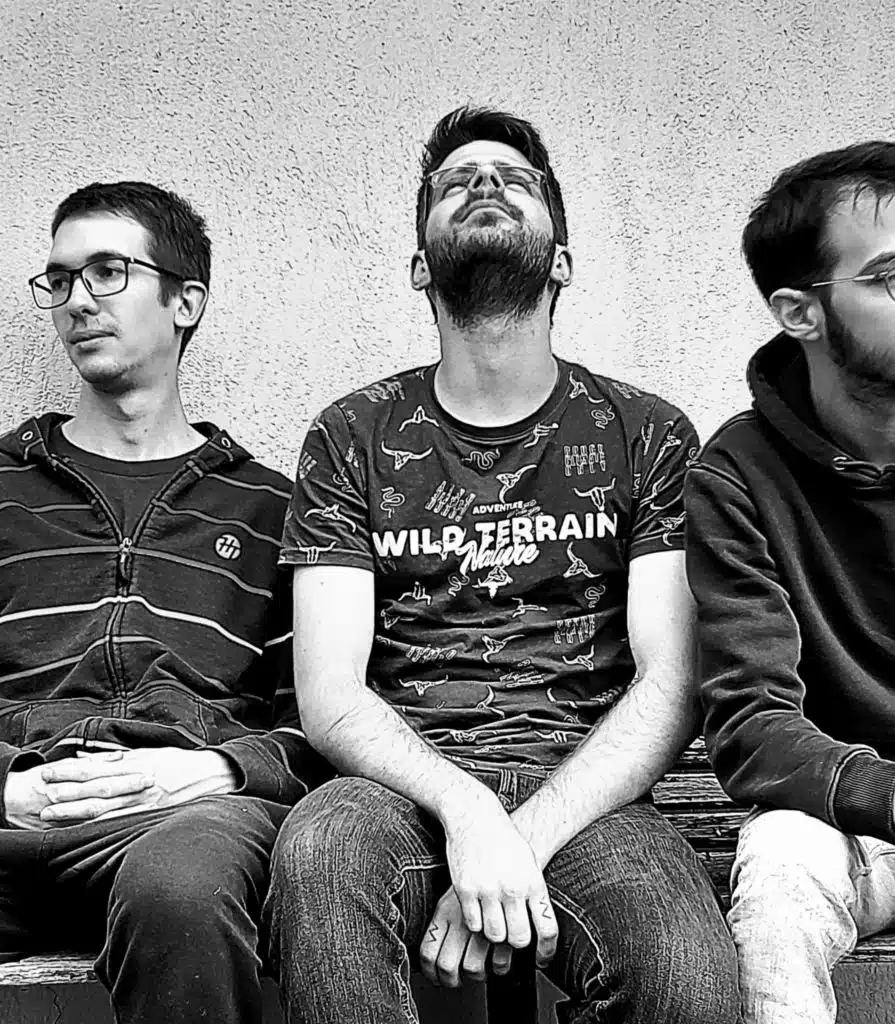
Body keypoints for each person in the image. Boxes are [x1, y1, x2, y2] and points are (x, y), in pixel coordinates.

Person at [265, 106, 738, 1023]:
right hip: (396, 788)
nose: (485, 184)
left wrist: (519, 838)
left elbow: (671, 682)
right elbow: (329, 694)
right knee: (318, 856)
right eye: (455, 183)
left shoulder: (646, 433)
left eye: (516, 181)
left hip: (591, 791)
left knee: (683, 976)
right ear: (419, 266)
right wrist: (469, 814)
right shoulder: (351, 434)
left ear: (561, 261)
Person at [684, 140, 895, 1023]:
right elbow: (752, 728)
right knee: (779, 879)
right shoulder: (738, 478)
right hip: (848, 824)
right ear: (800, 312)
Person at [4, 181, 325, 1024]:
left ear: (187, 303)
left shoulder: (271, 511)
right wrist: (5, 788)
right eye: (60, 279)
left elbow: (324, 723)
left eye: (108, 272)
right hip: (15, 813)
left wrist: (213, 771)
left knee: (180, 890)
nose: (78, 300)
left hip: (189, 821)